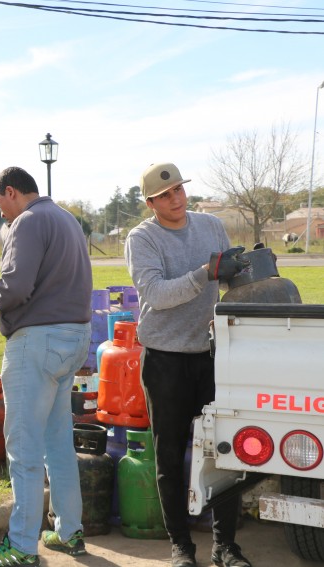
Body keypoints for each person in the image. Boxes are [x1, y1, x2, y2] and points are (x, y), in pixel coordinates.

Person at [124, 162, 251, 567]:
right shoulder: (141, 238)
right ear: (150, 203)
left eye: (178, 189)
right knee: (170, 454)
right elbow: (156, 294)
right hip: (165, 358)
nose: (175, 199)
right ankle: (181, 546)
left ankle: (225, 547)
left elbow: (232, 281)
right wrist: (205, 273)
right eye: (164, 195)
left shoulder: (211, 226)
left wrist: (243, 273)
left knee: (225, 452)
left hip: (215, 354)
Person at [0, 166, 93, 566]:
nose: (0, 211)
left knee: (23, 449)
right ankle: (69, 531)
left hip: (38, 342)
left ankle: (21, 547)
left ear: (11, 192)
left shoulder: (27, 220)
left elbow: (19, 287)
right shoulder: (65, 219)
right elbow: (42, 279)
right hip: (73, 339)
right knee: (58, 443)